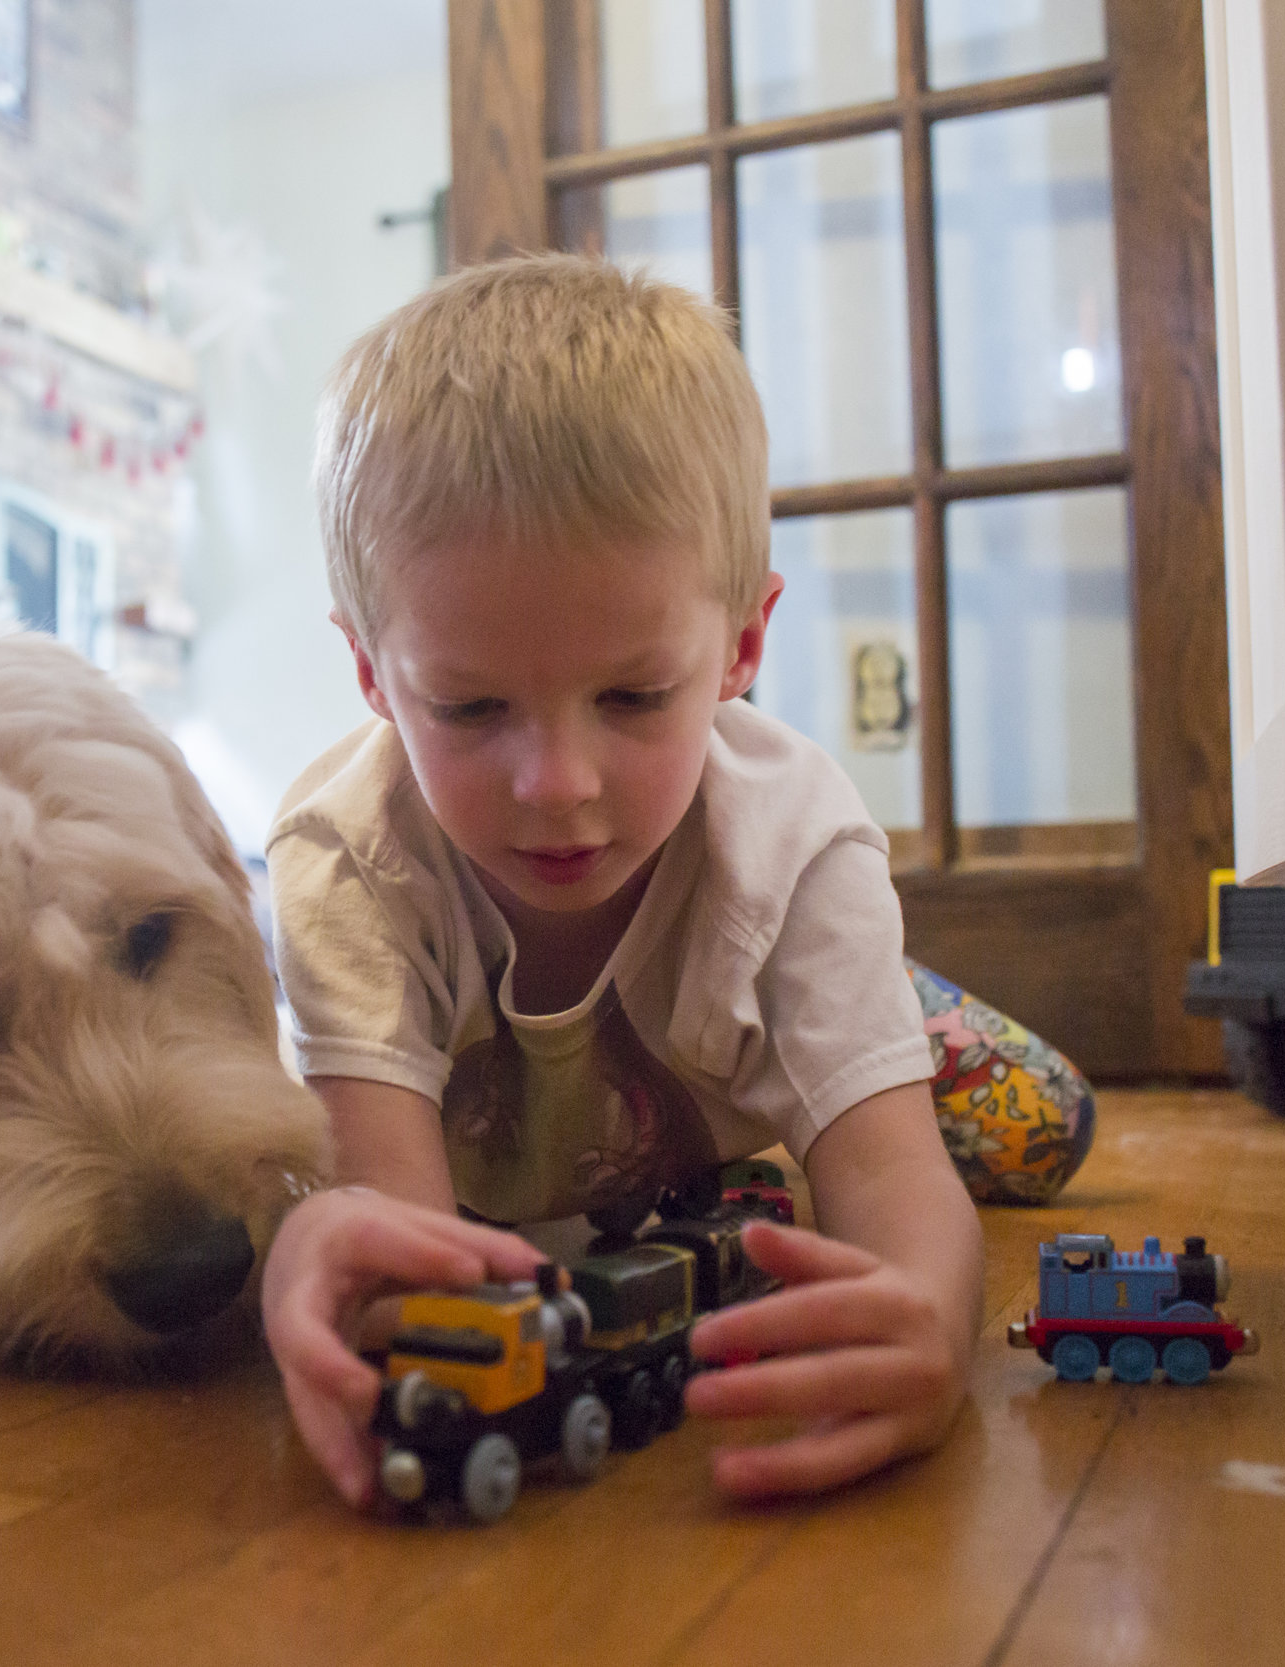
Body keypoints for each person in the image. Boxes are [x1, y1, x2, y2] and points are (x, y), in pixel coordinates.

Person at [258, 253, 982, 1508]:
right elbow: (397, 1229)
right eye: (471, 705)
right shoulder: (341, 865)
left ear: (744, 644)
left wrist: (929, 1317)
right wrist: (312, 1247)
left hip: (751, 1005)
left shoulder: (798, 845)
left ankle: (920, 1021)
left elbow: (890, 1178)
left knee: (1023, 1120)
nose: (556, 783)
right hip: (581, 1159)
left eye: (634, 697)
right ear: (373, 675)